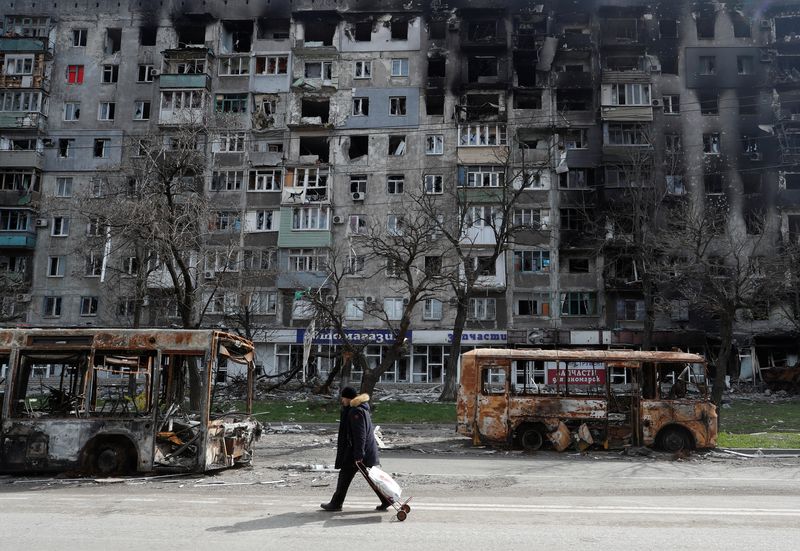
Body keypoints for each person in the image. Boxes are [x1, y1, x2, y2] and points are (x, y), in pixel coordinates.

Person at [320, 386, 392, 512]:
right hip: (360, 451)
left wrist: (359, 454)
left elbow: (360, 435)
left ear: (348, 398)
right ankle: (386, 499)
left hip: (358, 453)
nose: (341, 400)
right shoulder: (357, 409)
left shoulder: (356, 412)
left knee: (346, 477)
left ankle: (336, 504)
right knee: (370, 478)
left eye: (343, 397)